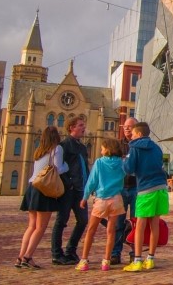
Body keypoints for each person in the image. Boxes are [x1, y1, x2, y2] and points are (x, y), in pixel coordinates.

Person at [17, 126, 68, 269]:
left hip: (32, 187)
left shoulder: (39, 151)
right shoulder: (57, 149)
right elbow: (57, 169)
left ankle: (21, 257)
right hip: (44, 190)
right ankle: (27, 257)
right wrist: (67, 166)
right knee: (40, 227)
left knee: (31, 226)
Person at [122, 121, 170, 272]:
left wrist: (125, 160)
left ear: (139, 134)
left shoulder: (135, 147)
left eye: (133, 134)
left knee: (140, 225)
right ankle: (150, 259)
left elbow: (128, 169)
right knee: (154, 224)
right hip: (161, 188)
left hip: (146, 188)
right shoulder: (156, 147)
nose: (131, 137)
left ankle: (137, 260)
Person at [75, 138, 126, 272]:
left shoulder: (99, 162)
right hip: (116, 199)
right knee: (111, 231)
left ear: (108, 149)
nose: (101, 150)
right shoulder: (121, 163)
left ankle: (84, 260)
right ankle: (106, 261)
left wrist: (85, 197)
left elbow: (92, 182)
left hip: (102, 198)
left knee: (91, 230)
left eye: (102, 148)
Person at [51, 116, 89, 265]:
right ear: (71, 127)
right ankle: (56, 254)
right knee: (61, 220)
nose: (83, 128)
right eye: (80, 125)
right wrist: (69, 183)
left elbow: (84, 167)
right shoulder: (64, 145)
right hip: (68, 190)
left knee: (83, 220)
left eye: (83, 125)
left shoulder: (82, 147)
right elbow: (58, 167)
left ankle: (71, 250)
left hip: (81, 189)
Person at [111, 116, 137, 265]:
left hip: (136, 188)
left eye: (130, 127)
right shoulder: (118, 145)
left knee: (136, 222)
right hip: (121, 188)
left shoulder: (138, 145)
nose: (126, 129)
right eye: (125, 126)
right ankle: (115, 253)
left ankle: (134, 252)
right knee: (118, 223)